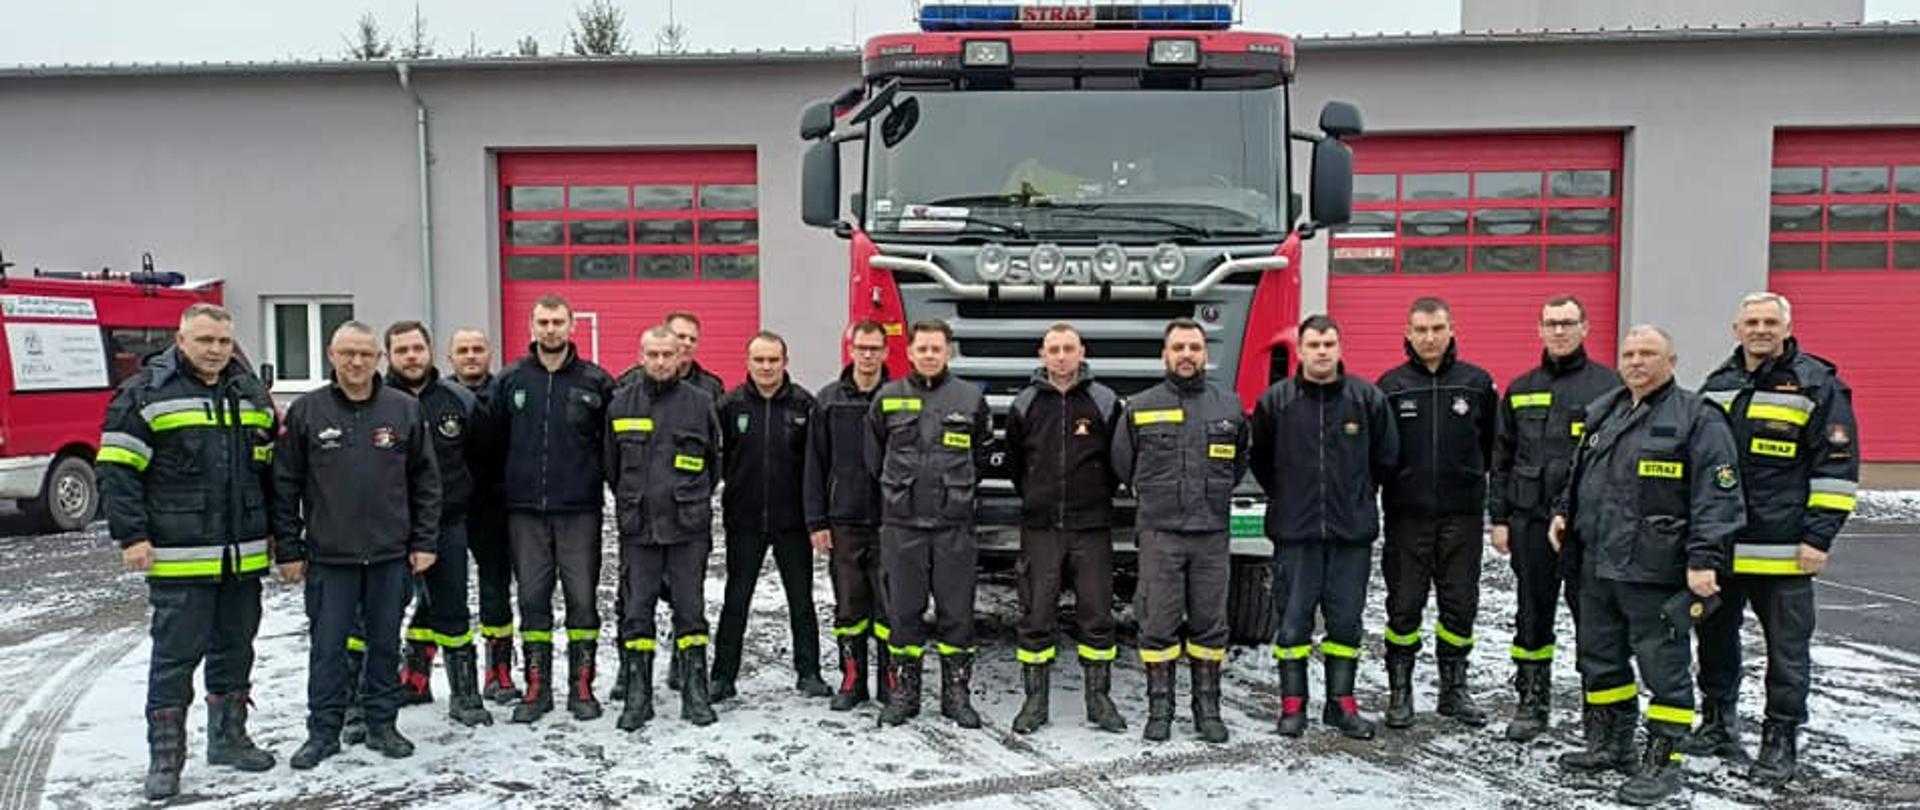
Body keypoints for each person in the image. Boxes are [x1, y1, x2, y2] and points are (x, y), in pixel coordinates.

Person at [1552, 325, 1745, 806]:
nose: (1636, 361)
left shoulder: (1697, 418)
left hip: (1655, 571)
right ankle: (1610, 744)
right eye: (1630, 353)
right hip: (1597, 566)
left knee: (1664, 671)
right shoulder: (1606, 411)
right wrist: (1563, 511)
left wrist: (1704, 559)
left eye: (1648, 353)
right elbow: (1580, 473)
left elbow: (1718, 497)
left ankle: (1663, 761)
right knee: (1600, 661)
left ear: (1672, 361)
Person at [98, 302, 278, 800]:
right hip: (178, 556)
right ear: (181, 341)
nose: (215, 350)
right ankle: (166, 758)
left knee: (236, 650)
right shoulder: (145, 394)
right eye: (204, 340)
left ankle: (229, 739)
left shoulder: (250, 393)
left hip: (242, 556)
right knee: (174, 660)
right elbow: (117, 470)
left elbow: (270, 470)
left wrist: (277, 531)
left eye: (223, 341)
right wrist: (132, 536)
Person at [1688, 292, 1859, 785]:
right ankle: (1718, 723)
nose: (1760, 330)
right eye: (1752, 322)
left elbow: (1836, 469)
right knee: (1714, 643)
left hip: (1784, 554)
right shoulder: (1717, 385)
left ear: (1786, 327)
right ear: (1736, 329)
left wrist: (1818, 538)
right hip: (1723, 550)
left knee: (1786, 653)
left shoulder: (1817, 385)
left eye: (1769, 322)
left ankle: (1779, 738)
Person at [274, 321, 441, 770]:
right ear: (331, 355)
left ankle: (382, 724)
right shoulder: (307, 411)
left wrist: (424, 541)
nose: (356, 361)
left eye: (365, 354)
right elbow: (285, 485)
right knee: (328, 649)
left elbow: (426, 482)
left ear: (378, 359)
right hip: (330, 559)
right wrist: (288, 548)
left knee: (384, 647)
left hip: (390, 555)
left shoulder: (403, 410)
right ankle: (323, 732)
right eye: (347, 353)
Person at [1250, 315, 1397, 741]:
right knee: (1293, 624)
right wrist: (1290, 497)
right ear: (1300, 349)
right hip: (1295, 534)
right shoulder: (1276, 402)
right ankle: (1292, 707)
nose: (1321, 352)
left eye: (1329, 344)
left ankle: (1341, 705)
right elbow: (1262, 461)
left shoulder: (1366, 399)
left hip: (1351, 535)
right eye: (1313, 344)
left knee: (1346, 624)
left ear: (1339, 347)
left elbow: (1386, 458)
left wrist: (1357, 495)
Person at [1487, 296, 1620, 741]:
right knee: (1531, 615)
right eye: (1551, 323)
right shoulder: (1521, 388)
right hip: (1529, 522)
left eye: (1567, 323)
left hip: (1585, 528)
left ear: (1585, 327)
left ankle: (1598, 712)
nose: (1559, 331)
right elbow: (1501, 459)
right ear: (1540, 330)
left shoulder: (1609, 387)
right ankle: (1531, 700)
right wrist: (1499, 518)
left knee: (1594, 622)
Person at [1112, 318, 1248, 744]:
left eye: (1194, 347)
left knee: (1210, 625)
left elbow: (1239, 462)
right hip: (1160, 533)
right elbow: (1123, 463)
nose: (1186, 355)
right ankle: (1161, 710)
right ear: (1164, 355)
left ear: (1205, 354)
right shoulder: (1140, 407)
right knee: (1157, 623)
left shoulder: (1229, 407)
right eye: (1178, 348)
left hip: (1211, 533)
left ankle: (1207, 710)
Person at [1375, 297, 1498, 729]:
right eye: (1422, 330)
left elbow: (1494, 449)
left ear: (1451, 330)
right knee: (1404, 606)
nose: (1430, 337)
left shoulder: (1477, 384)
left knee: (1459, 605)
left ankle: (1454, 690)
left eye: (1437, 329)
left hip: (1462, 517)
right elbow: (1378, 452)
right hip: (1406, 518)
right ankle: (1400, 692)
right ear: (1408, 333)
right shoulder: (1390, 386)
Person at [492, 295, 616, 723]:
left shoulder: (596, 382)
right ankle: (537, 687)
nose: (550, 329)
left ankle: (582, 686)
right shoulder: (510, 381)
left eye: (558, 322)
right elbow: (494, 444)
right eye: (543, 322)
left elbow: (611, 446)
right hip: (524, 511)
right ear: (532, 326)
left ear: (571, 325)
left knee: (582, 600)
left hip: (579, 510)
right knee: (532, 599)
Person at [866, 319, 991, 728]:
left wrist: (955, 493)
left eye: (937, 348)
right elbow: (873, 457)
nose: (930, 355)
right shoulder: (887, 398)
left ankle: (956, 696)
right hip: (902, 526)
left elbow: (980, 456)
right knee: (904, 613)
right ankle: (904, 695)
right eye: (922, 348)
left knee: (957, 614)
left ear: (947, 351)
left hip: (954, 526)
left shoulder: (969, 398)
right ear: (910, 352)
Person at [1004, 323, 1126, 735]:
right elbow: (1016, 464)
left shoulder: (1104, 401)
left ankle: (1099, 700)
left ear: (1081, 352)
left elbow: (1118, 461)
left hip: (1091, 527)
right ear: (1042, 354)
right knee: (1036, 616)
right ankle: (1035, 703)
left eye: (1068, 348)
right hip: (1041, 529)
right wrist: (1037, 497)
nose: (1060, 356)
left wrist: (1095, 497)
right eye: (1053, 349)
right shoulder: (1025, 404)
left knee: (1097, 616)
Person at [607, 325, 723, 730]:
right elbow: (611, 467)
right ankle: (638, 697)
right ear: (641, 356)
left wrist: (688, 497)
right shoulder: (621, 404)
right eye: (653, 355)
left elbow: (714, 464)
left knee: (691, 613)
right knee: (636, 613)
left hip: (686, 528)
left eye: (667, 354)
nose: (660, 362)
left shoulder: (700, 403)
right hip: (639, 529)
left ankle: (695, 694)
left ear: (679, 357)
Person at [382, 322, 494, 727]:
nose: (411, 356)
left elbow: (482, 459)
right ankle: (377, 695)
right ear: (388, 356)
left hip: (447, 524)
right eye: (401, 350)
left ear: (430, 351)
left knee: (451, 608)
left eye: (417, 348)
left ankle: (465, 696)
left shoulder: (459, 400)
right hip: (388, 529)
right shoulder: (376, 402)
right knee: (379, 613)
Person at [711, 331, 831, 701]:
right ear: (748, 362)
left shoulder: (804, 405)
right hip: (744, 521)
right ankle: (722, 677)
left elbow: (817, 466)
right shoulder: (729, 406)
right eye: (759, 360)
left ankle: (809, 673)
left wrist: (816, 518)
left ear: (785, 362)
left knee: (801, 601)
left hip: (792, 522)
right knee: (736, 599)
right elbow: (716, 459)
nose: (766, 367)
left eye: (773, 360)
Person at [804, 321, 893, 711]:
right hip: (844, 521)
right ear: (851, 350)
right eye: (861, 347)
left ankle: (890, 682)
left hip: (890, 522)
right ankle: (852, 679)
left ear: (886, 352)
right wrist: (817, 522)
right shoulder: (828, 400)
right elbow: (814, 465)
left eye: (875, 348)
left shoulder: (899, 398)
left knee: (890, 606)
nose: (868, 355)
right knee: (849, 606)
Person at [448, 326, 521, 704]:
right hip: (446, 510)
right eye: (463, 350)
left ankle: (499, 670)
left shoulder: (505, 393)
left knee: (495, 588)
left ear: (490, 354)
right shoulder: (438, 396)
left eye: (477, 349)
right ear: (450, 357)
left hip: (493, 507)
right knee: (437, 593)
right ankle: (416, 671)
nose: (471, 356)